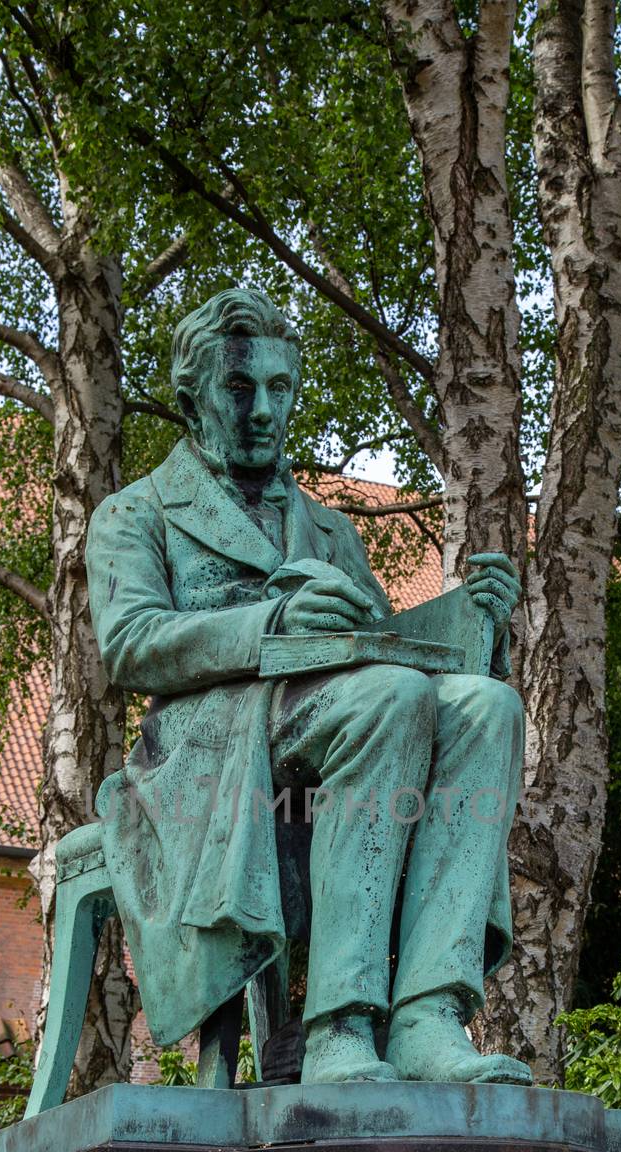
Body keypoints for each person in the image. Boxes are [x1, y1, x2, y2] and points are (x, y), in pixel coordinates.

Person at [87, 287, 529, 1085]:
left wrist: (474, 632)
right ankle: (338, 1026)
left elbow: (386, 651)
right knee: (388, 699)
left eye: (279, 389)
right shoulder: (137, 511)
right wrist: (274, 620)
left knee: (487, 707)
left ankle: (429, 1013)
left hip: (337, 721)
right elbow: (131, 644)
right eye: (238, 387)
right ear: (192, 399)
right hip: (210, 737)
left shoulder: (329, 528)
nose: (262, 409)